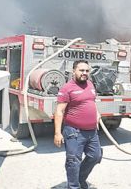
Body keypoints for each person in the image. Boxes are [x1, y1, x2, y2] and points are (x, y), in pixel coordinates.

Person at [54, 60, 101, 189]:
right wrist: (57, 133)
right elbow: (59, 111)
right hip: (74, 132)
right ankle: (74, 186)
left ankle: (80, 179)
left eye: (87, 71)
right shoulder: (67, 88)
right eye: (81, 70)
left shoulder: (90, 84)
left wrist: (96, 114)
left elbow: (91, 102)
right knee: (73, 161)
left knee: (96, 156)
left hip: (92, 132)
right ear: (74, 71)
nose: (84, 73)